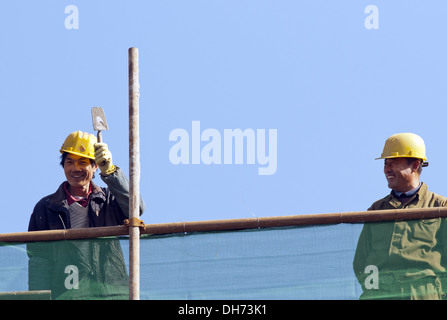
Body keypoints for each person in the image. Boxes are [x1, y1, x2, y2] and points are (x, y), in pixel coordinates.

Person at [27, 131, 145, 299]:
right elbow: (39, 260)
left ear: (95, 166)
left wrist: (111, 173)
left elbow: (136, 208)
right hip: (68, 294)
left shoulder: (108, 200)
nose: (75, 168)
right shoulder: (46, 208)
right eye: (70, 162)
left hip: (111, 293)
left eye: (82, 162)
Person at [353, 133, 447, 300]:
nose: (387, 169)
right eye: (385, 163)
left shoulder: (440, 207)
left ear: (415, 164)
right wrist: (374, 290)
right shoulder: (376, 210)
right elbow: (361, 262)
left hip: (423, 293)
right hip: (381, 294)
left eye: (393, 162)